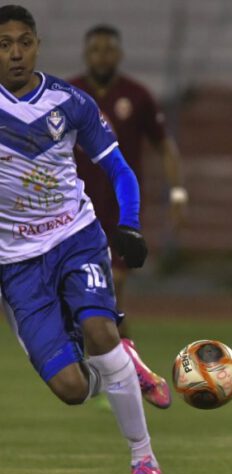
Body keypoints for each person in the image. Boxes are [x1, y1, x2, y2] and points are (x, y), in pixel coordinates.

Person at [0, 5, 164, 474]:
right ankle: (117, 367)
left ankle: (143, 459)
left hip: (75, 236)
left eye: (24, 42)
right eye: (4, 44)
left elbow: (119, 170)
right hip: (16, 262)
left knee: (100, 330)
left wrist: (129, 225)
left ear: (38, 45)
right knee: (71, 388)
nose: (15, 53)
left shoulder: (69, 103)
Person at [69, 24, 185, 402]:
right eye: (96, 49)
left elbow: (164, 145)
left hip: (120, 212)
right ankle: (123, 370)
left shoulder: (137, 96)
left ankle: (127, 374)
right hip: (71, 212)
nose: (102, 55)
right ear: (87, 54)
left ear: (118, 54)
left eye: (108, 49)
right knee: (86, 305)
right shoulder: (68, 95)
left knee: (111, 294)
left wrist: (177, 192)